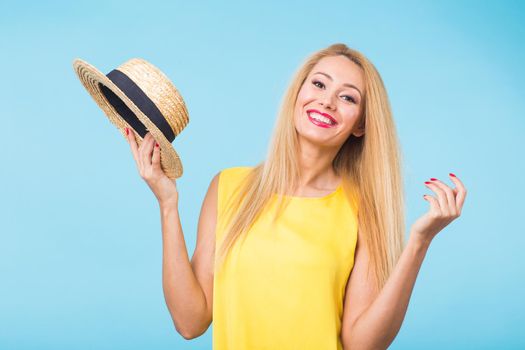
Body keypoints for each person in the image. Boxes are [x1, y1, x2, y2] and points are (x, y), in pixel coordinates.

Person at [124, 43, 467, 350]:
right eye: (319, 84)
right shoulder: (228, 187)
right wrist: (168, 204)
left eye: (348, 97)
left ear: (360, 124)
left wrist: (419, 242)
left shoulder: (363, 210)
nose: (327, 101)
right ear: (297, 94)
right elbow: (190, 322)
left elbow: (362, 345)